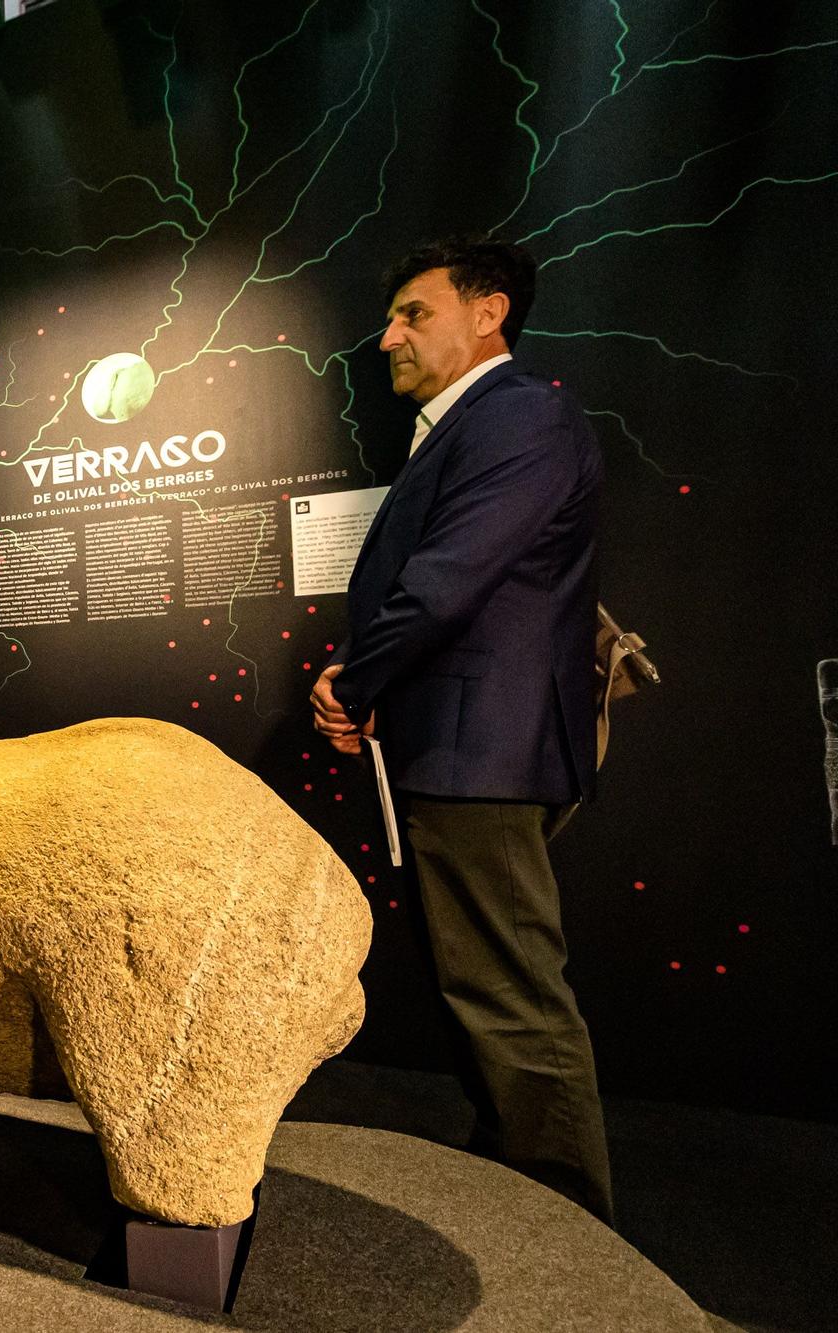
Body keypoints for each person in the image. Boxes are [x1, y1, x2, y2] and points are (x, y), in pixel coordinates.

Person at [310, 236, 613, 1223]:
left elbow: (442, 584)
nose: (387, 335)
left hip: (481, 750)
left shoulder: (518, 413)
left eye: (413, 312)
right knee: (479, 982)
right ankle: (518, 1177)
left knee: (508, 993)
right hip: (458, 745)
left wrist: (353, 684)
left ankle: (569, 1229)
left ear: (487, 313)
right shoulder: (471, 425)